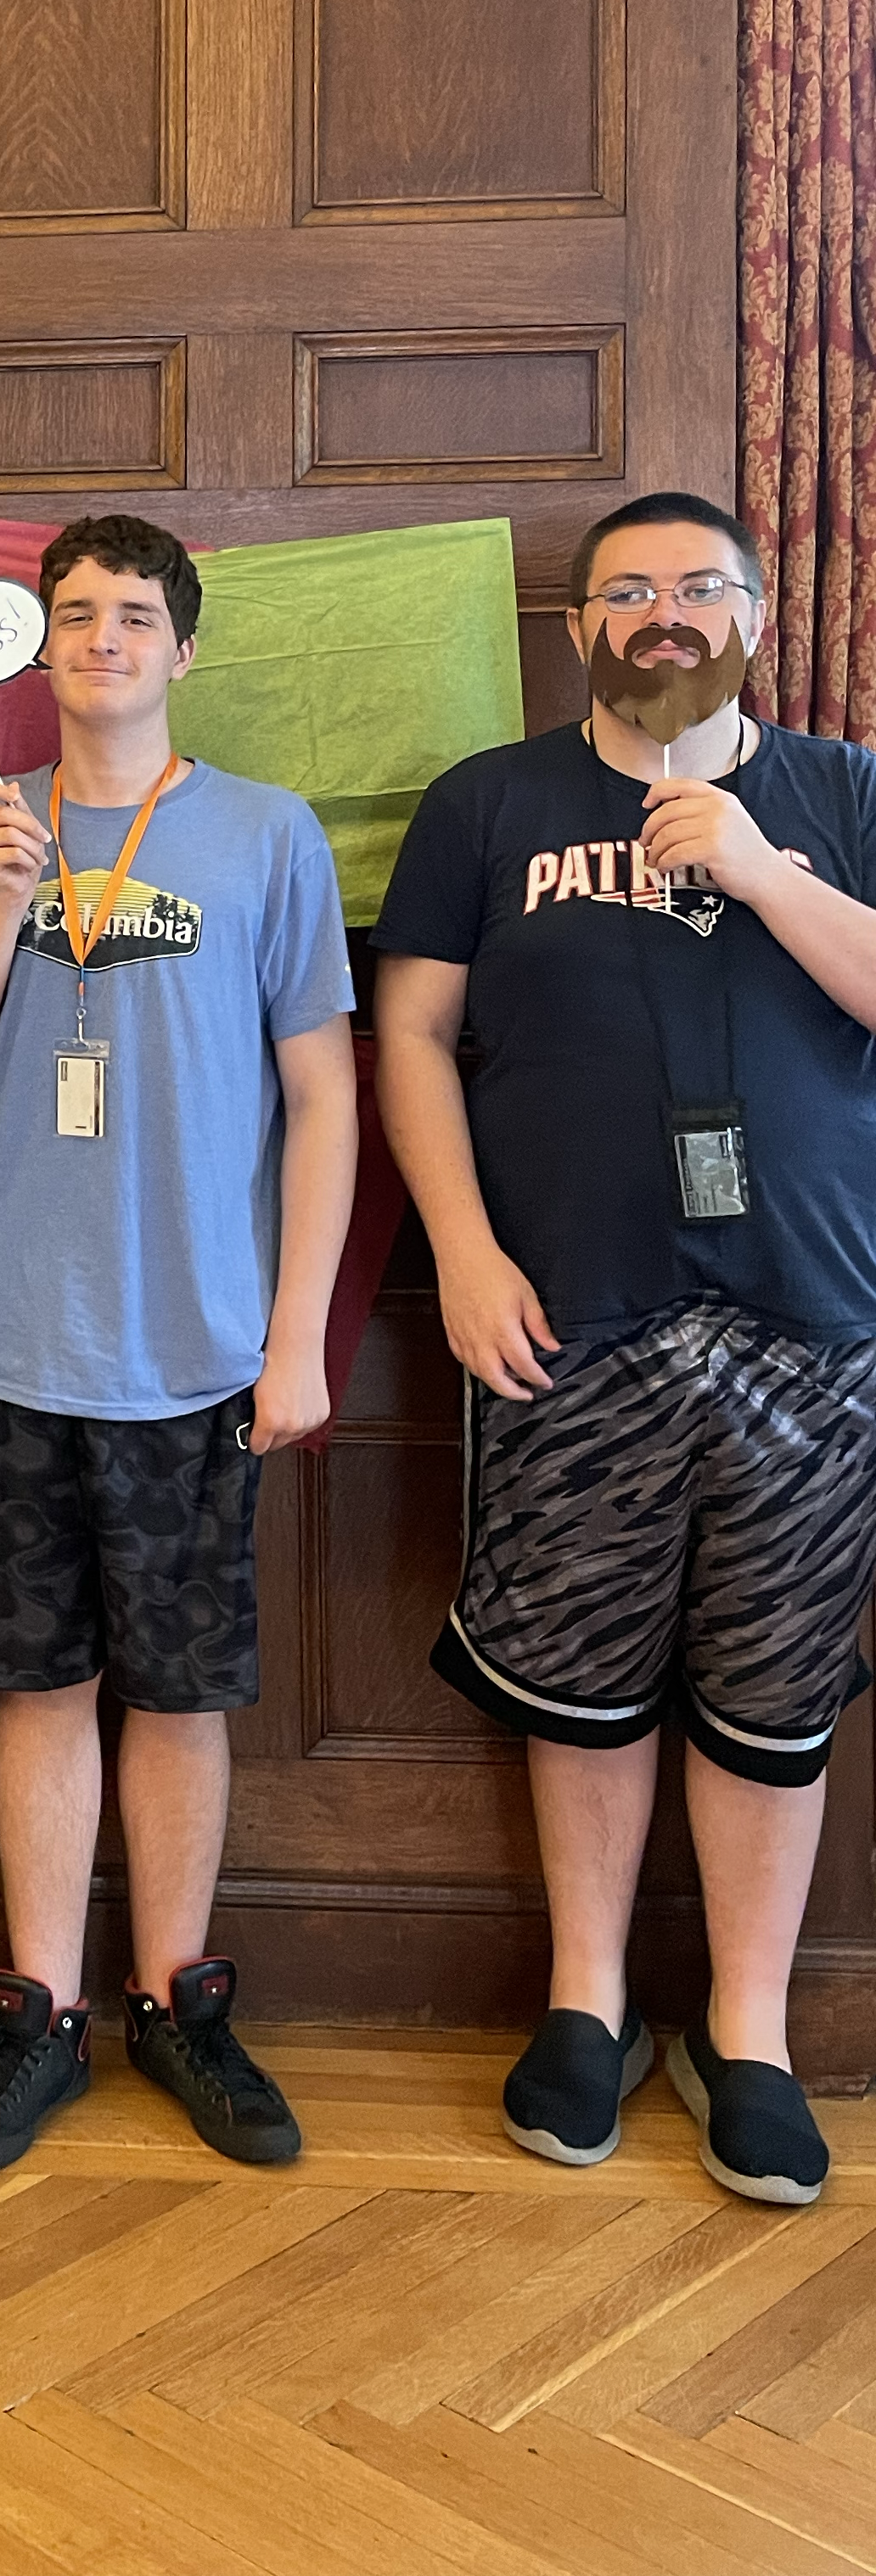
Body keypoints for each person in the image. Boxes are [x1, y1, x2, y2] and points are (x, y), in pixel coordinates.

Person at [374, 490, 876, 2209]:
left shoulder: (845, 792)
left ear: (753, 611)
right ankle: (586, 2006)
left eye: (698, 588)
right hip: (565, 1319)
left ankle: (751, 2034)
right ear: (580, 624)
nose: (664, 614)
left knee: (773, 1694)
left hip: (811, 1321)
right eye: (628, 592)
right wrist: (455, 1245)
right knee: (577, 1684)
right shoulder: (488, 804)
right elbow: (414, 1036)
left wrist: (748, 861)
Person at [0, 516, 358, 2174]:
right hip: (12, 1337)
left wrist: (297, 1334)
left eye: (134, 616)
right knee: (40, 1681)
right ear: (36, 644)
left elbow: (325, 1093)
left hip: (196, 1344)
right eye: (74, 614)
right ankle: (45, 2013)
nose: (102, 638)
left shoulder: (265, 835)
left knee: (177, 1691)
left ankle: (179, 2001)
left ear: (183, 649)